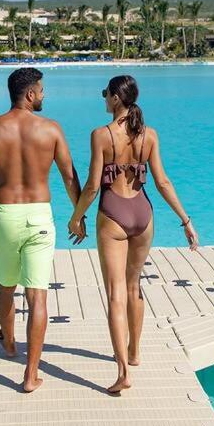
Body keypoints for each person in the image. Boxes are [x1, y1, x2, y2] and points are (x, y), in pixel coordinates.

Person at [68, 74, 199, 394]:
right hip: (144, 214)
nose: (104, 98)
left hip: (113, 214)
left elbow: (93, 186)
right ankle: (135, 352)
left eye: (105, 93)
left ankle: (123, 372)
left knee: (115, 294)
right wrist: (185, 220)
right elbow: (163, 182)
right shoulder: (149, 135)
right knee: (133, 286)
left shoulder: (101, 135)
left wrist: (76, 217)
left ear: (116, 98)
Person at [0, 67, 81, 392]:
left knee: (5, 286)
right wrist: (79, 214)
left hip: (6, 217)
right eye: (41, 90)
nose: (43, 95)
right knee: (37, 294)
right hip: (39, 217)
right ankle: (31, 375)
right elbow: (69, 176)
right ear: (30, 94)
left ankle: (10, 342)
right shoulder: (51, 129)